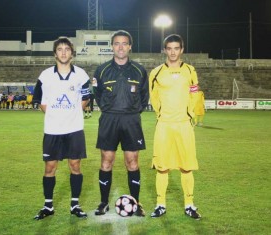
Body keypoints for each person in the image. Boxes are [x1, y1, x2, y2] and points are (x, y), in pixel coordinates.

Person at [33, 37, 90, 220]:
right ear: (54, 53)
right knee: (50, 167)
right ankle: (48, 206)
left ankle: (75, 204)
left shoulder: (81, 75)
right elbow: (40, 102)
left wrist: (71, 114)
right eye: (60, 49)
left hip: (74, 129)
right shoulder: (45, 76)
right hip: (52, 130)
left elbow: (85, 99)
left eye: (67, 49)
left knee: (75, 165)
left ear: (72, 53)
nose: (64, 52)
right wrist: (56, 116)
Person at [93, 30, 149, 217]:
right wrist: (109, 109)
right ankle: (103, 203)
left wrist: (131, 111)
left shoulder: (140, 70)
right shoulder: (101, 70)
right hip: (109, 119)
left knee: (132, 162)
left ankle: (136, 203)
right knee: (106, 161)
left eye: (124, 43)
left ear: (130, 46)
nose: (121, 47)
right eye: (117, 43)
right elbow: (97, 95)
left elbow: (144, 96)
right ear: (112, 46)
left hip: (131, 120)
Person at [149, 34, 201, 219]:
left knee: (187, 166)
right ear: (164, 50)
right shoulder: (156, 73)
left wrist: (190, 113)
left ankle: (189, 204)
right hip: (164, 125)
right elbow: (153, 97)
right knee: (162, 167)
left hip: (184, 125)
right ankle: (160, 204)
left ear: (181, 50)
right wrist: (161, 113)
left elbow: (195, 93)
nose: (172, 52)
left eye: (176, 48)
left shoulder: (190, 71)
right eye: (169, 48)